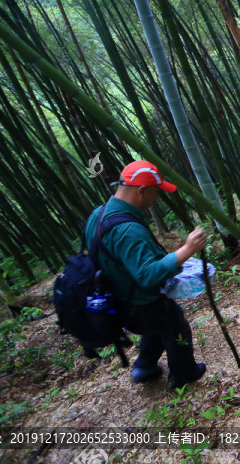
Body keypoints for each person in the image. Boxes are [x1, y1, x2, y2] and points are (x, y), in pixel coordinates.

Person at [84, 160, 208, 389]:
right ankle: (184, 374)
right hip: (140, 300)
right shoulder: (128, 230)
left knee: (158, 327)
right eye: (156, 191)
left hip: (119, 299)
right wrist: (186, 250)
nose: (158, 197)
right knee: (175, 326)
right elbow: (147, 275)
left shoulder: (98, 213)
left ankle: (144, 367)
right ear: (141, 191)